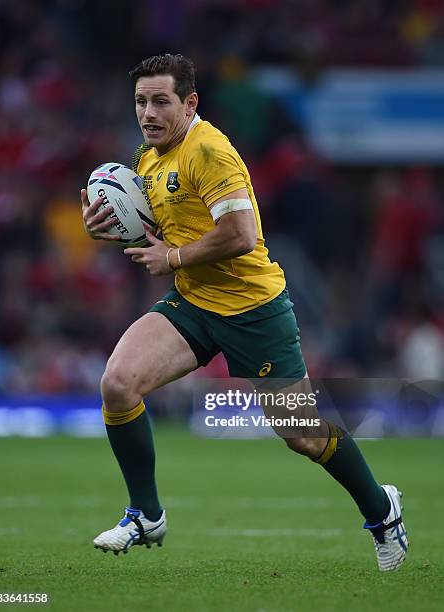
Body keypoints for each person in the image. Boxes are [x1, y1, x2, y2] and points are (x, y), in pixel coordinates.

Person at [80, 54, 407, 571]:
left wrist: (172, 258)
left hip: (254, 309)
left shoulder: (209, 151)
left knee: (303, 434)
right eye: (141, 101)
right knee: (118, 384)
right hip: (193, 303)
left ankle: (380, 508)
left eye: (161, 101)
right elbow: (167, 234)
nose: (148, 112)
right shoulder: (147, 158)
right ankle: (145, 514)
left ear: (190, 103)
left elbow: (241, 235)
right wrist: (111, 228)